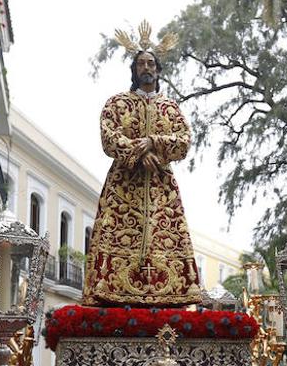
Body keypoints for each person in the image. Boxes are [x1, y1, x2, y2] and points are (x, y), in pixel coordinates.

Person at [84, 38, 203, 305]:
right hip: (124, 184)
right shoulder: (116, 103)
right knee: (116, 234)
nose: (146, 67)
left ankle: (167, 294)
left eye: (150, 63)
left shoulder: (170, 108)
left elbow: (184, 141)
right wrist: (140, 153)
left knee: (164, 239)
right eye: (140, 63)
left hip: (161, 187)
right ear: (134, 70)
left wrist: (155, 143)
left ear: (158, 70)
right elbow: (108, 136)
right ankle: (111, 292)